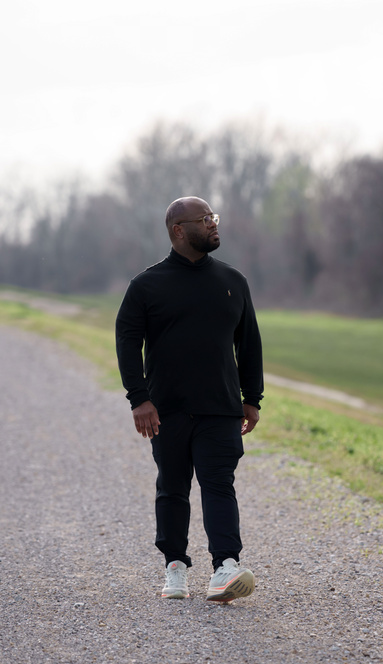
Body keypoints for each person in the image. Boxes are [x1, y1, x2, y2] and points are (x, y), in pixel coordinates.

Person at [115, 196, 264, 602]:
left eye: (214, 217)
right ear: (179, 230)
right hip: (167, 409)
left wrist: (253, 398)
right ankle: (175, 566)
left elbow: (249, 345)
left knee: (219, 484)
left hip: (221, 407)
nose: (214, 224)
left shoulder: (233, 282)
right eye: (205, 219)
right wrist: (139, 399)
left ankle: (225, 567)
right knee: (174, 487)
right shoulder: (146, 285)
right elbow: (127, 343)